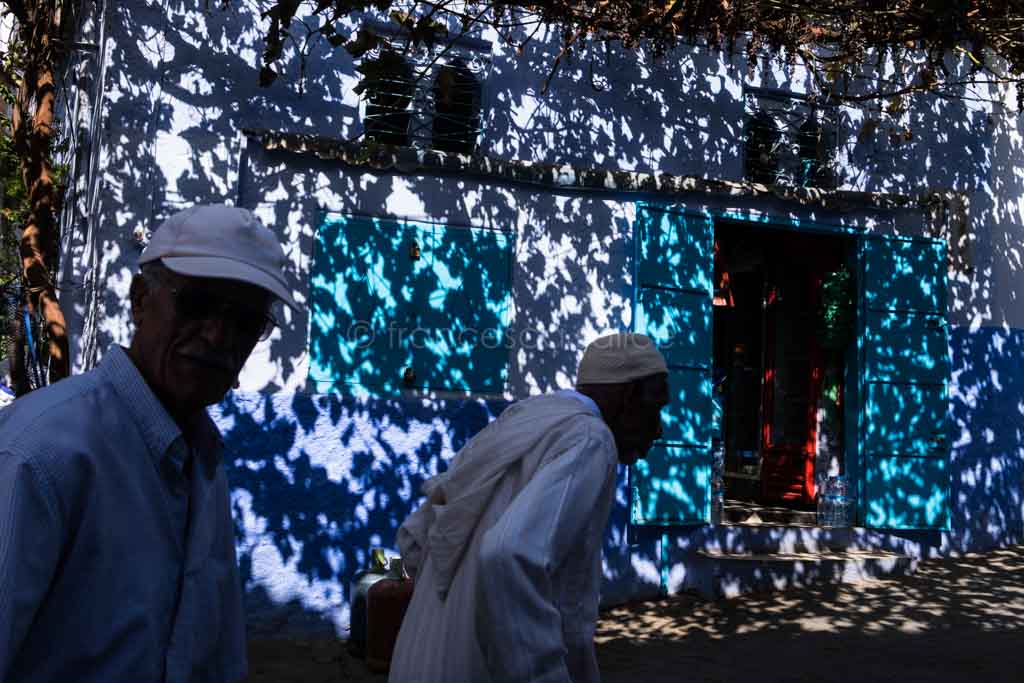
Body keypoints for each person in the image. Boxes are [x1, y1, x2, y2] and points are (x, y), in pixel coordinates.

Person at [0, 205, 297, 682]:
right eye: (196, 304)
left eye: (244, 322)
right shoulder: (42, 455)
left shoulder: (202, 461)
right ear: (140, 299)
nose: (218, 335)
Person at [389, 332, 670, 683]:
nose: (659, 430)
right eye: (657, 406)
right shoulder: (590, 439)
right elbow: (509, 555)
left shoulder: (524, 420)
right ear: (629, 397)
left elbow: (417, 542)